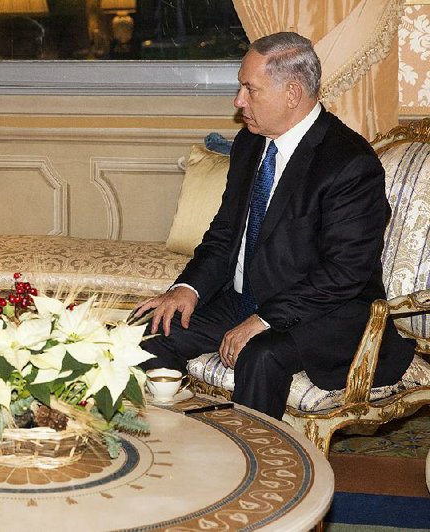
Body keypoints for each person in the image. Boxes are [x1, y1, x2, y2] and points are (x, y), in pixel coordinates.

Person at [134, 32, 414, 419]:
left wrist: (264, 320)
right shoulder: (251, 144)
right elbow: (224, 234)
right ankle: (167, 448)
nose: (238, 101)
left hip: (325, 312)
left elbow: (344, 272)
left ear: (293, 93)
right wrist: (188, 288)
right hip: (248, 298)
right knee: (154, 334)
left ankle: (259, 469)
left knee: (262, 354)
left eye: (250, 89)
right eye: (240, 88)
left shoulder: (348, 163)